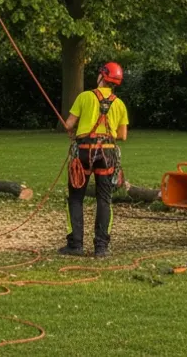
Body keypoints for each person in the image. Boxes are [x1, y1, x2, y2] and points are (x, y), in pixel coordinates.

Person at [59, 62, 129, 259]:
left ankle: (75, 245)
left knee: (75, 198)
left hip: (84, 151)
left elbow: (68, 124)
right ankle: (101, 247)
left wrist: (74, 130)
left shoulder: (85, 97)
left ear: (102, 76)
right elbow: (122, 136)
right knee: (104, 199)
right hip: (107, 154)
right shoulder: (119, 104)